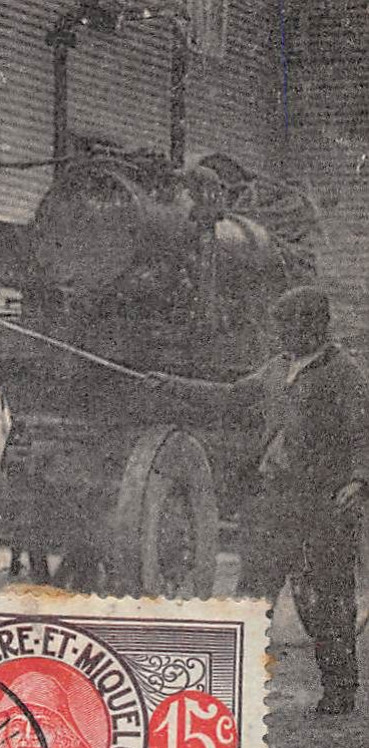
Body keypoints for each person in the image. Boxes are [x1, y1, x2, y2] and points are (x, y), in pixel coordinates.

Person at [146, 285, 368, 716]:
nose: (283, 335)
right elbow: (231, 396)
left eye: (290, 326)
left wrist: (359, 481)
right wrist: (170, 385)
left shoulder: (345, 375)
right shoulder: (276, 369)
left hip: (322, 507)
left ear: (316, 327)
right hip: (274, 502)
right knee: (252, 596)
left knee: (326, 602)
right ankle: (238, 684)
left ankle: (340, 693)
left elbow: (364, 433)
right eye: (280, 326)